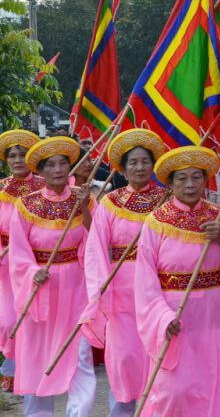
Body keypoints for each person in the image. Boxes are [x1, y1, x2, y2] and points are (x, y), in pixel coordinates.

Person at [134, 146, 220, 416]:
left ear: (205, 181)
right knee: (175, 391)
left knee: (215, 381)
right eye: (182, 178)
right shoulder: (156, 221)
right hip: (173, 316)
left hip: (213, 317)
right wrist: (160, 317)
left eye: (196, 177)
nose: (190, 184)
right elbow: (145, 279)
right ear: (170, 183)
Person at [80, 130, 167, 417]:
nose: (140, 167)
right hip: (121, 291)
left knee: (156, 356)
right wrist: (100, 288)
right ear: (123, 168)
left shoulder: (167, 200)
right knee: (125, 359)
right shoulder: (112, 202)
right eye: (133, 163)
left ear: (153, 165)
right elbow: (95, 245)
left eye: (145, 161)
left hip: (158, 291)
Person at [8, 137, 96, 416]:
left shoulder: (84, 198)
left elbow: (95, 242)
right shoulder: (26, 205)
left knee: (79, 355)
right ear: (41, 171)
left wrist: (84, 208)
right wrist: (32, 272)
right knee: (35, 357)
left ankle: (78, 413)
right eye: (51, 165)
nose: (58, 169)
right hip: (40, 288)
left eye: (63, 164)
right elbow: (19, 252)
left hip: (76, 286)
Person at [0, 130, 44, 392]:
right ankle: (10, 366)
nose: (17, 160)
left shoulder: (44, 188)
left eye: (22, 155)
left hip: (36, 264)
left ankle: (29, 371)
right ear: (6, 162)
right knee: (7, 321)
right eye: (12, 156)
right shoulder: (1, 190)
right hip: (6, 266)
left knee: (29, 319)